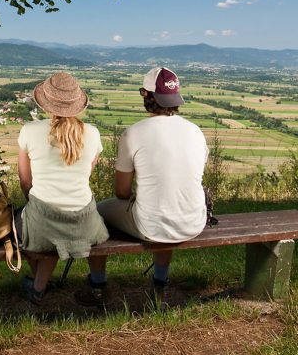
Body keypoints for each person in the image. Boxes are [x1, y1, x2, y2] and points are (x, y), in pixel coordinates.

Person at [80, 67, 209, 307]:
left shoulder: (133, 133)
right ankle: (160, 283)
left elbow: (121, 192)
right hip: (194, 221)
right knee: (162, 206)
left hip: (151, 224)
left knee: (94, 212)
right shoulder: (195, 131)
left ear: (147, 96)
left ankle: (97, 286)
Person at [18, 72, 108, 304]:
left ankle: (38, 287)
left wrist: (38, 205)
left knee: (26, 227)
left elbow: (25, 182)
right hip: (84, 223)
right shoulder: (93, 133)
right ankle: (98, 283)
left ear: (45, 102)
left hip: (43, 224)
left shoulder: (30, 130)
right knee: (61, 231)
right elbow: (85, 175)